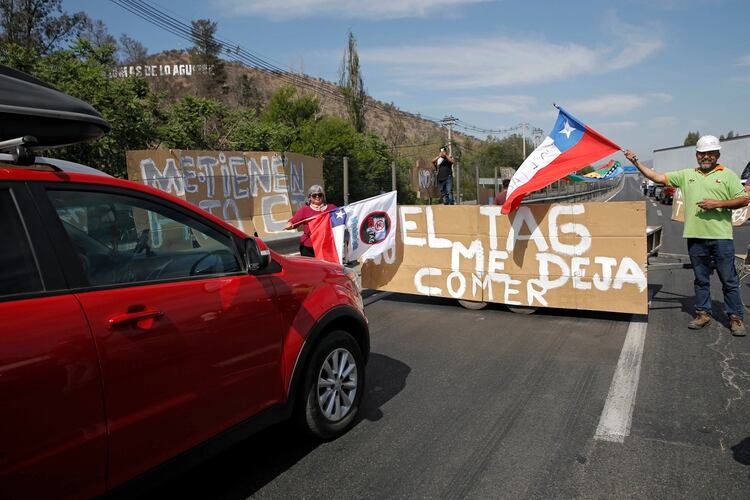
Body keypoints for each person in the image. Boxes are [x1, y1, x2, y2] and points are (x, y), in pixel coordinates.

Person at [624, 135, 749, 336]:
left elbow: (743, 199)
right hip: (695, 237)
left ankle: (735, 318)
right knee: (701, 279)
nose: (706, 157)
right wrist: (635, 162)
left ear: (717, 154)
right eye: (702, 153)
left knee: (728, 279)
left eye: (710, 153)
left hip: (721, 238)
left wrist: (717, 204)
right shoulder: (687, 175)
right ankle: (703, 314)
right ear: (697, 155)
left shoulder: (728, 175)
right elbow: (657, 178)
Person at [285, 185, 336, 257]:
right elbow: (293, 222)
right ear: (309, 197)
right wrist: (289, 225)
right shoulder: (304, 210)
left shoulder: (331, 208)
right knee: (311, 268)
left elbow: (341, 218)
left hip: (326, 245)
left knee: (325, 267)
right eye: (314, 195)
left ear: (323, 196)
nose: (317, 197)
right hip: (309, 247)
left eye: (320, 195)